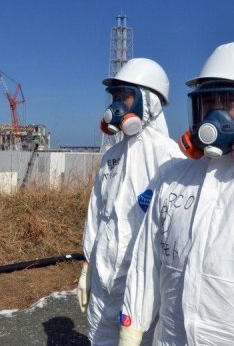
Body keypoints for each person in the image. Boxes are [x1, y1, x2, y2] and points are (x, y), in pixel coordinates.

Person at [119, 42, 234, 345]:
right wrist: (131, 330)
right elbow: (147, 261)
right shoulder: (174, 179)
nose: (216, 111)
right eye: (208, 101)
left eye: (230, 99)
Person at [77, 58, 184, 345]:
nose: (116, 105)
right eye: (114, 97)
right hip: (103, 279)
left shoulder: (169, 158)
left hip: (142, 287)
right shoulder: (112, 156)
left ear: (148, 102)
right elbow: (97, 213)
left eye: (124, 96)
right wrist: (87, 265)